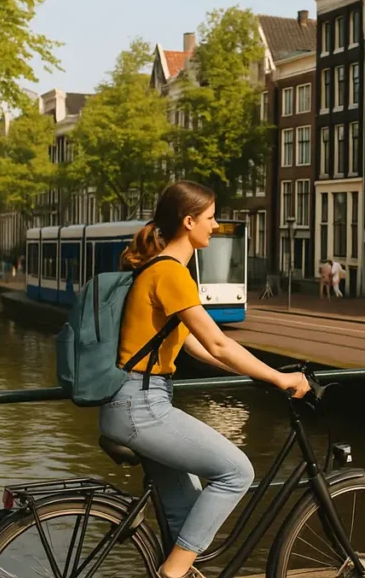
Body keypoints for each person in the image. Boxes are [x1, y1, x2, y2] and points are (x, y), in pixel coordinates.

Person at [100, 181, 310, 578]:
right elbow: (216, 342)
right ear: (189, 221)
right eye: (211, 218)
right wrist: (279, 378)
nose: (215, 226)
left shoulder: (160, 269)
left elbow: (195, 346)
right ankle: (172, 574)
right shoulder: (171, 273)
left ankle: (178, 568)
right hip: (141, 407)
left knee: (185, 509)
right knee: (237, 473)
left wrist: (258, 375)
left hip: (135, 401)